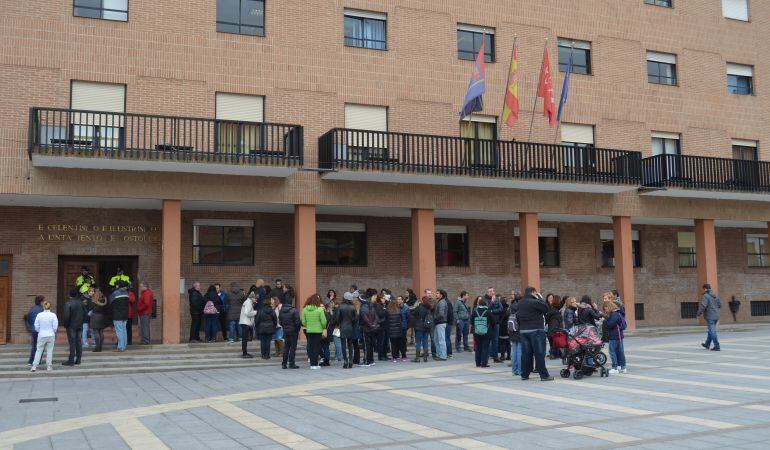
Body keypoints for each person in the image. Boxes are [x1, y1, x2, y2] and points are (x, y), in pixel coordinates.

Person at [518, 287, 553, 381]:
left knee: (526, 354)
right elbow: (546, 308)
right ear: (533, 292)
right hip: (536, 330)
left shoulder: (520, 302)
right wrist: (540, 298)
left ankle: (524, 374)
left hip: (523, 331)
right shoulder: (534, 301)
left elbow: (517, 316)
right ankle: (544, 375)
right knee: (539, 353)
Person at [30, 300, 58, 372]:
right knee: (49, 351)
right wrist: (53, 331)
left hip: (41, 334)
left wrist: (39, 331)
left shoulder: (39, 315)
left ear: (43, 307)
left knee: (39, 350)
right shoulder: (53, 315)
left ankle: (34, 366)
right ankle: (49, 366)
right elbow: (55, 326)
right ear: (50, 307)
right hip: (51, 334)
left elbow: (36, 325)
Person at [301, 294, 327, 370]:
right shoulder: (319, 309)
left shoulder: (305, 309)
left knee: (311, 347)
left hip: (309, 330)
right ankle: (315, 364)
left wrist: (308, 325)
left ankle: (312, 364)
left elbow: (303, 321)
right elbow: (324, 321)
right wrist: (323, 327)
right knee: (316, 347)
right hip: (318, 330)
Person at [62, 288, 86, 366]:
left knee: (72, 342)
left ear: (70, 295)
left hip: (71, 326)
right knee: (79, 341)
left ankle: (71, 360)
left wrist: (66, 325)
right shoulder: (81, 303)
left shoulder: (68, 303)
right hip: (80, 325)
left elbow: (66, 316)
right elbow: (85, 314)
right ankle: (78, 359)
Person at [603, 300, 628, 374]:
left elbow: (610, 324)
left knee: (612, 352)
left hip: (614, 336)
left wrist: (604, 320)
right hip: (618, 335)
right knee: (620, 352)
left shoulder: (614, 314)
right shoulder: (617, 313)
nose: (605, 310)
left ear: (609, 306)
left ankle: (615, 367)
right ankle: (622, 367)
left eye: (606, 308)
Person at [336, 291, 358, 369]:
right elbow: (355, 319)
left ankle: (345, 361)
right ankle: (351, 361)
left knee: (343, 345)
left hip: (343, 327)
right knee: (350, 345)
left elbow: (337, 318)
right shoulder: (353, 307)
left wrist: (339, 323)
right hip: (350, 327)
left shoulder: (340, 307)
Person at [279, 294, 302, 369]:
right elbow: (298, 322)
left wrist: (284, 327)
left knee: (286, 347)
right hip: (293, 331)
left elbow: (280, 321)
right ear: (291, 302)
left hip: (285, 330)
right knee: (293, 347)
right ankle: (291, 363)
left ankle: (284, 364)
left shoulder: (281, 310)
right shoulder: (294, 310)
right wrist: (297, 330)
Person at [698, 283, 722, 351]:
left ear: (705, 289)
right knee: (711, 331)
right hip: (716, 316)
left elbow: (703, 306)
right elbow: (720, 305)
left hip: (710, 316)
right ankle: (707, 344)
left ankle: (717, 346)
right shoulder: (715, 295)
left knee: (712, 331)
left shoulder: (705, 296)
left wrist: (699, 313)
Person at [358, 293, 379, 366]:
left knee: (366, 345)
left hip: (366, 329)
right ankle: (371, 360)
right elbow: (376, 317)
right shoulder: (371, 306)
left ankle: (366, 361)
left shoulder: (363, 307)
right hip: (372, 328)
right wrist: (374, 325)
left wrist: (370, 325)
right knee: (371, 344)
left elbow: (365, 318)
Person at [109, 281, 130, 352]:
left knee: (119, 331)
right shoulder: (126, 293)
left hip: (117, 315)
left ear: (117, 286)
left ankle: (120, 347)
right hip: (125, 314)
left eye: (115, 285)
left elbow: (110, 302)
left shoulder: (115, 293)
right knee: (124, 330)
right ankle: (124, 346)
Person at [411, 295, 433, 363]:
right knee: (425, 342)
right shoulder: (429, 308)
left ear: (423, 300)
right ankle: (425, 358)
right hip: (426, 327)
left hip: (419, 327)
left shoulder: (419, 307)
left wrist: (416, 306)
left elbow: (413, 313)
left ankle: (417, 358)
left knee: (418, 342)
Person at [25, 296, 45, 367]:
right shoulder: (42, 309)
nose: (44, 302)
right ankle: (38, 360)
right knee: (41, 346)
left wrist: (31, 327)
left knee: (34, 346)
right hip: (41, 330)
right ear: (41, 301)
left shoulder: (32, 309)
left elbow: (28, 319)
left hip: (34, 330)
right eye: (43, 301)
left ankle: (31, 361)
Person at [485, 287, 504, 363]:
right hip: (489, 323)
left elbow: (501, 309)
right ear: (487, 292)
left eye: (493, 291)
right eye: (490, 291)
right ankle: (487, 355)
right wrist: (492, 302)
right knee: (488, 340)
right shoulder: (485, 300)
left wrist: (492, 311)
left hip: (496, 323)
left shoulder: (497, 299)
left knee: (495, 340)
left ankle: (495, 356)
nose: (492, 292)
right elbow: (486, 310)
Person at [472, 297, 491, 368]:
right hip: (486, 332)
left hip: (477, 332)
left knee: (478, 347)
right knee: (485, 347)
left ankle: (477, 363)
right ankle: (484, 363)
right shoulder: (488, 312)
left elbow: (471, 321)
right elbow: (493, 322)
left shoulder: (474, 312)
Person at [386, 296, 407, 362]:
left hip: (391, 331)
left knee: (393, 344)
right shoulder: (399, 311)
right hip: (399, 330)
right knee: (401, 344)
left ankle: (394, 358)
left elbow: (387, 321)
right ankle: (404, 357)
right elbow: (401, 319)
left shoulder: (388, 312)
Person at [239, 292, 257, 358]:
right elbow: (247, 313)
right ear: (251, 298)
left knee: (245, 339)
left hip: (244, 322)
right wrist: (255, 312)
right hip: (245, 323)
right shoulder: (248, 303)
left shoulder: (248, 302)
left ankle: (245, 352)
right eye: (255, 298)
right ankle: (244, 353)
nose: (256, 300)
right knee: (244, 339)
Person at [545, 294, 563, 359]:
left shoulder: (555, 309)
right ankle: (553, 354)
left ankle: (555, 354)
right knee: (554, 342)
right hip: (554, 329)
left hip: (553, 328)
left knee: (554, 342)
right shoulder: (554, 310)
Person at [432, 290, 448, 361]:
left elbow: (441, 314)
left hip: (440, 323)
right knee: (436, 339)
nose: (436, 294)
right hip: (438, 323)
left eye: (437, 293)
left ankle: (443, 356)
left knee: (441, 340)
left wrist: (434, 319)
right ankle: (439, 354)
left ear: (441, 295)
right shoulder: (439, 301)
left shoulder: (442, 302)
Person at [509, 292, 522, 376]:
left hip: (512, 330)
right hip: (519, 331)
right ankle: (520, 370)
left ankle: (514, 370)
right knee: (519, 351)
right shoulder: (520, 307)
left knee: (514, 351)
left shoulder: (512, 305)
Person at [326, 290, 342, 362]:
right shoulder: (340, 309)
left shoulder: (336, 310)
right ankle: (337, 355)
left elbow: (335, 319)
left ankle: (338, 356)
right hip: (340, 327)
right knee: (338, 342)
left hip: (337, 327)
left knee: (337, 342)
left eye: (333, 303)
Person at [374, 291, 389, 361]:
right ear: (379, 299)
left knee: (386, 341)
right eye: (383, 298)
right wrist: (385, 311)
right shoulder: (378, 305)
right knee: (381, 341)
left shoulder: (384, 305)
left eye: (384, 298)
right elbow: (380, 314)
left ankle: (385, 355)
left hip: (385, 325)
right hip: (380, 326)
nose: (384, 299)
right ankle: (381, 355)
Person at [320, 299, 334, 366]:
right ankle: (327, 360)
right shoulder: (331, 313)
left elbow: (323, 323)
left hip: (325, 331)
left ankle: (326, 360)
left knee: (324, 346)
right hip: (329, 332)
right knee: (326, 347)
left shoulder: (325, 314)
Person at [498, 297, 510, 361]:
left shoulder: (500, 309)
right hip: (508, 326)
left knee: (502, 342)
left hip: (502, 327)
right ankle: (508, 356)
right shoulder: (509, 309)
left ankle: (502, 356)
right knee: (508, 342)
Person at [443, 289, 455, 359]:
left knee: (446, 338)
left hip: (447, 323)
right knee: (446, 338)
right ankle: (449, 352)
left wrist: (447, 322)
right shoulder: (446, 301)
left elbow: (449, 313)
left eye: (438, 294)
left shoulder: (447, 302)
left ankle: (449, 353)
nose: (436, 295)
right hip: (448, 322)